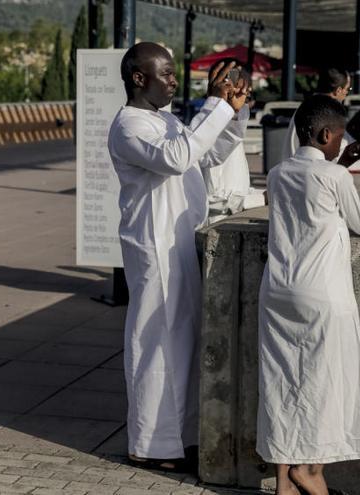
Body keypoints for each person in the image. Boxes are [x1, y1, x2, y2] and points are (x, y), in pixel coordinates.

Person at [107, 42, 249, 471]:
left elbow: (206, 154)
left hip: (178, 242)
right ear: (138, 78)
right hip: (154, 246)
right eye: (166, 74)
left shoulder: (163, 119)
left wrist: (232, 112)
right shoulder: (129, 125)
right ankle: (148, 444)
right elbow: (177, 157)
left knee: (181, 341)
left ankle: (172, 440)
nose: (173, 81)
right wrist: (214, 105)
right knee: (156, 343)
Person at [257, 95, 360, 495]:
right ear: (327, 133)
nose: (342, 143)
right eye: (339, 137)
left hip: (278, 290)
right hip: (322, 295)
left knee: (280, 383)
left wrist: (342, 162)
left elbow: (312, 191)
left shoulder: (278, 173)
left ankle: (283, 480)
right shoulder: (334, 178)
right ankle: (310, 471)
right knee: (326, 382)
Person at [199, 59, 265, 224]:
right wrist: (260, 199)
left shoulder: (232, 128)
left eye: (247, 96)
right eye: (238, 92)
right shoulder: (210, 131)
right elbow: (210, 200)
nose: (244, 102)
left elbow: (238, 187)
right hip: (215, 227)